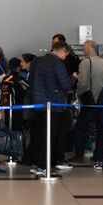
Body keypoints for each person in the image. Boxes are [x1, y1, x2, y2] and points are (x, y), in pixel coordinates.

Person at [31, 41, 77, 175]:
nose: (66, 57)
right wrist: (73, 78)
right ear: (62, 51)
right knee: (50, 136)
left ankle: (36, 163)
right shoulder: (57, 63)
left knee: (40, 134)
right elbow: (66, 85)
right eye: (66, 54)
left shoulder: (38, 61)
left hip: (39, 104)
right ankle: (43, 165)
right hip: (54, 105)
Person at [72, 40, 103, 162]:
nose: (83, 50)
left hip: (90, 102)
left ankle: (78, 155)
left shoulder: (85, 62)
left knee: (78, 129)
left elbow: (82, 83)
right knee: (101, 130)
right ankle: (99, 156)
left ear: (90, 48)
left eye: (84, 47)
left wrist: (77, 95)